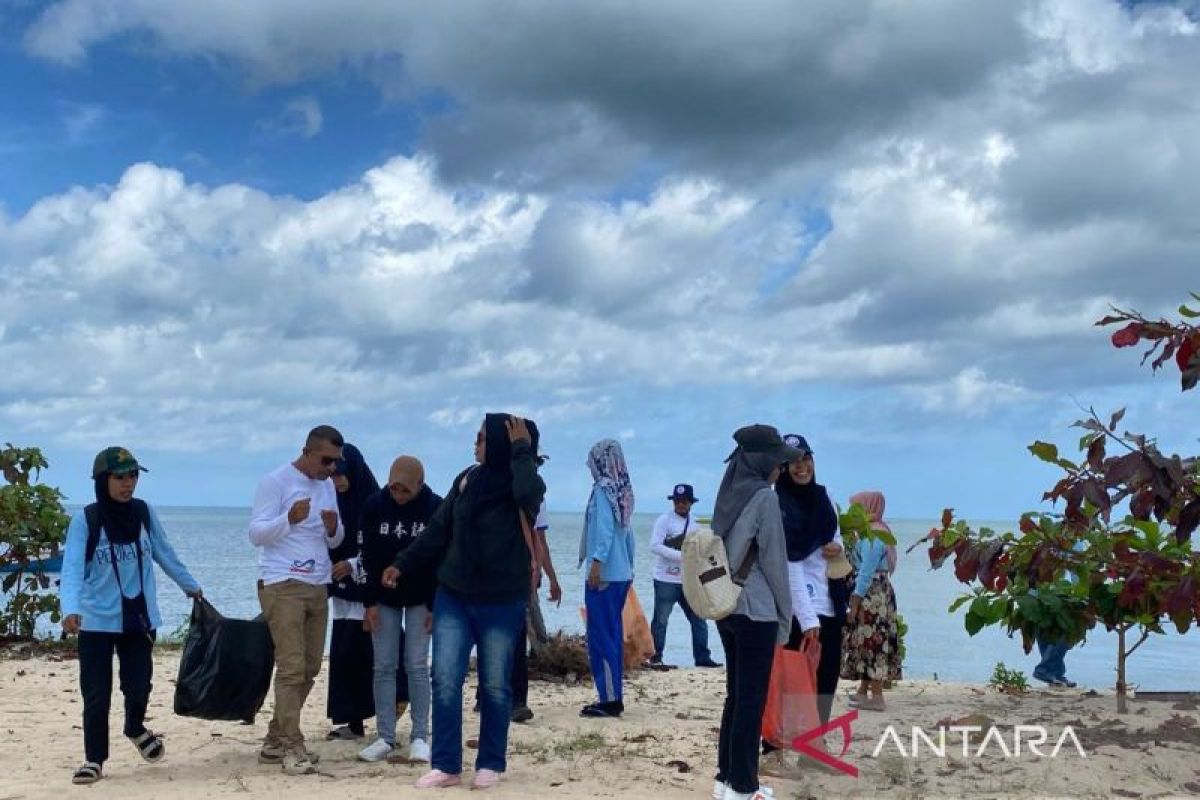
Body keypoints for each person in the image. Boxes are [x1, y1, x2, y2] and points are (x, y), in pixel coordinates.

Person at [383, 414, 545, 791]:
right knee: (444, 679)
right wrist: (402, 563)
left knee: (494, 685)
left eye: (483, 438)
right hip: (454, 594)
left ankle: (490, 762)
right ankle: (447, 765)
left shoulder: (523, 482)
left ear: (503, 445)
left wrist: (521, 449)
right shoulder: (467, 479)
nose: (475, 445)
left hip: (501, 601)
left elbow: (529, 495)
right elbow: (439, 529)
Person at [60, 447, 203, 785]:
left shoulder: (143, 512)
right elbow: (71, 570)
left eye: (133, 476)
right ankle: (94, 759)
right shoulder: (86, 520)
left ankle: (135, 727)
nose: (128, 484)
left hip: (138, 620)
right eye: (120, 477)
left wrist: (191, 586)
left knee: (138, 687)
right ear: (102, 480)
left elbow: (164, 553)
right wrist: (70, 609)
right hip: (96, 620)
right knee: (96, 693)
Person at [249, 425, 345, 776]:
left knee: (310, 666)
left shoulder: (327, 487)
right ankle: (292, 744)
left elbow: (334, 542)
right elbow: (256, 534)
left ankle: (275, 740)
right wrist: (288, 519)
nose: (331, 468)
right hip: (282, 581)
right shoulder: (275, 482)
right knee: (290, 666)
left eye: (336, 462)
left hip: (318, 582)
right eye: (326, 460)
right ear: (307, 452)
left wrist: (334, 528)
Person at [711, 425, 798, 800]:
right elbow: (776, 562)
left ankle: (726, 778)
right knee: (751, 699)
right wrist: (786, 614)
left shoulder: (728, 492)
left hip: (726, 605)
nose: (782, 468)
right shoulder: (764, 498)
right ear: (765, 461)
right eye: (778, 461)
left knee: (736, 696)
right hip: (756, 610)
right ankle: (744, 787)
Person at [357, 455, 441, 763]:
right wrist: (368, 603)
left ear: (419, 485)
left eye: (405, 490)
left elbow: (439, 558)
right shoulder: (374, 506)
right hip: (383, 597)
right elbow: (364, 556)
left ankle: (420, 735)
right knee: (384, 665)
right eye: (394, 489)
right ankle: (385, 736)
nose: (399, 495)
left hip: (421, 597)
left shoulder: (435, 507)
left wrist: (435, 605)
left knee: (417, 664)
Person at [775, 434, 845, 726]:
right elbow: (789, 562)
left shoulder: (823, 495)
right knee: (790, 679)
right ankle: (776, 746)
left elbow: (835, 532)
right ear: (783, 467)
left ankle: (814, 745)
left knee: (826, 678)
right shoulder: (777, 502)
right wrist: (807, 618)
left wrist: (837, 546)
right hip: (797, 609)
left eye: (806, 459)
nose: (801, 467)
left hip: (830, 599)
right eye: (793, 461)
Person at [325, 443, 381, 741]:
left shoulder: (373, 502)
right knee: (344, 654)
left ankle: (387, 708)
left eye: (342, 475)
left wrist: (353, 564)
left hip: (368, 591)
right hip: (341, 592)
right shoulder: (335, 501)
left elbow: (379, 550)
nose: (338, 482)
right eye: (333, 476)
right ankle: (351, 719)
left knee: (367, 655)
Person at [579, 439, 637, 718]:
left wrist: (597, 564)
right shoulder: (623, 488)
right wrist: (629, 568)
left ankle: (609, 698)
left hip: (605, 574)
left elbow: (603, 530)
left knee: (601, 637)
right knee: (611, 634)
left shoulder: (603, 490)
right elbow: (629, 534)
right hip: (621, 573)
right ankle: (612, 695)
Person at [840, 490, 902, 712]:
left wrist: (854, 603)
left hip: (871, 594)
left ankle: (876, 696)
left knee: (873, 642)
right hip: (879, 592)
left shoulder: (873, 536)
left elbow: (866, 572)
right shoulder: (878, 531)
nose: (852, 513)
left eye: (857, 508)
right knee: (869, 641)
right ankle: (864, 690)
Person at [649, 483, 720, 668]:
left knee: (699, 618)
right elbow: (655, 546)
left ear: (691, 503)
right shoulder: (664, 520)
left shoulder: (695, 524)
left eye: (685, 501)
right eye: (678, 501)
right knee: (661, 620)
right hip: (665, 579)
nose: (681, 504)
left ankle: (702, 658)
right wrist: (682, 556)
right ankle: (655, 657)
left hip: (690, 581)